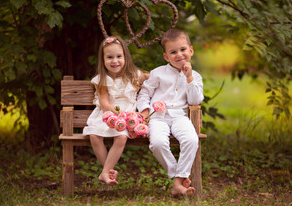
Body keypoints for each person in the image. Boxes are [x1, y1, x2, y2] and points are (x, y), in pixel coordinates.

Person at [136, 29, 204, 196]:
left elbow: (195, 101)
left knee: (191, 139)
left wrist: (189, 78)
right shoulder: (158, 73)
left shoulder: (196, 77)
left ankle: (178, 180)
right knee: (157, 143)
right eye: (173, 52)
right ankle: (178, 178)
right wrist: (145, 111)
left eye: (183, 50)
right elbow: (144, 93)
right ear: (166, 56)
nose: (179, 55)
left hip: (180, 117)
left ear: (191, 51)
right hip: (158, 118)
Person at [83, 36, 148, 185]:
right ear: (103, 60)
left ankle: (105, 173)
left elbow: (155, 77)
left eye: (119, 56)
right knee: (94, 136)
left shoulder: (134, 76)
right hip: (107, 115)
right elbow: (104, 103)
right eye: (110, 57)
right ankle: (107, 171)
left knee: (121, 137)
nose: (115, 61)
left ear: (125, 57)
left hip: (126, 118)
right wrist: (118, 112)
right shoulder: (102, 79)